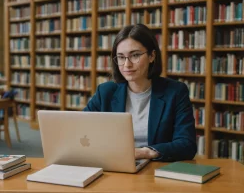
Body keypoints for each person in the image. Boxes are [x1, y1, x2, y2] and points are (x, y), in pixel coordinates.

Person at [83, 24, 197, 162]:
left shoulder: (176, 92)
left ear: (152, 56)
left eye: (135, 55)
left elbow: (187, 145)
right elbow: (80, 129)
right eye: (121, 57)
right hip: (113, 166)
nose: (127, 65)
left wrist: (145, 152)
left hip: (154, 170)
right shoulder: (105, 92)